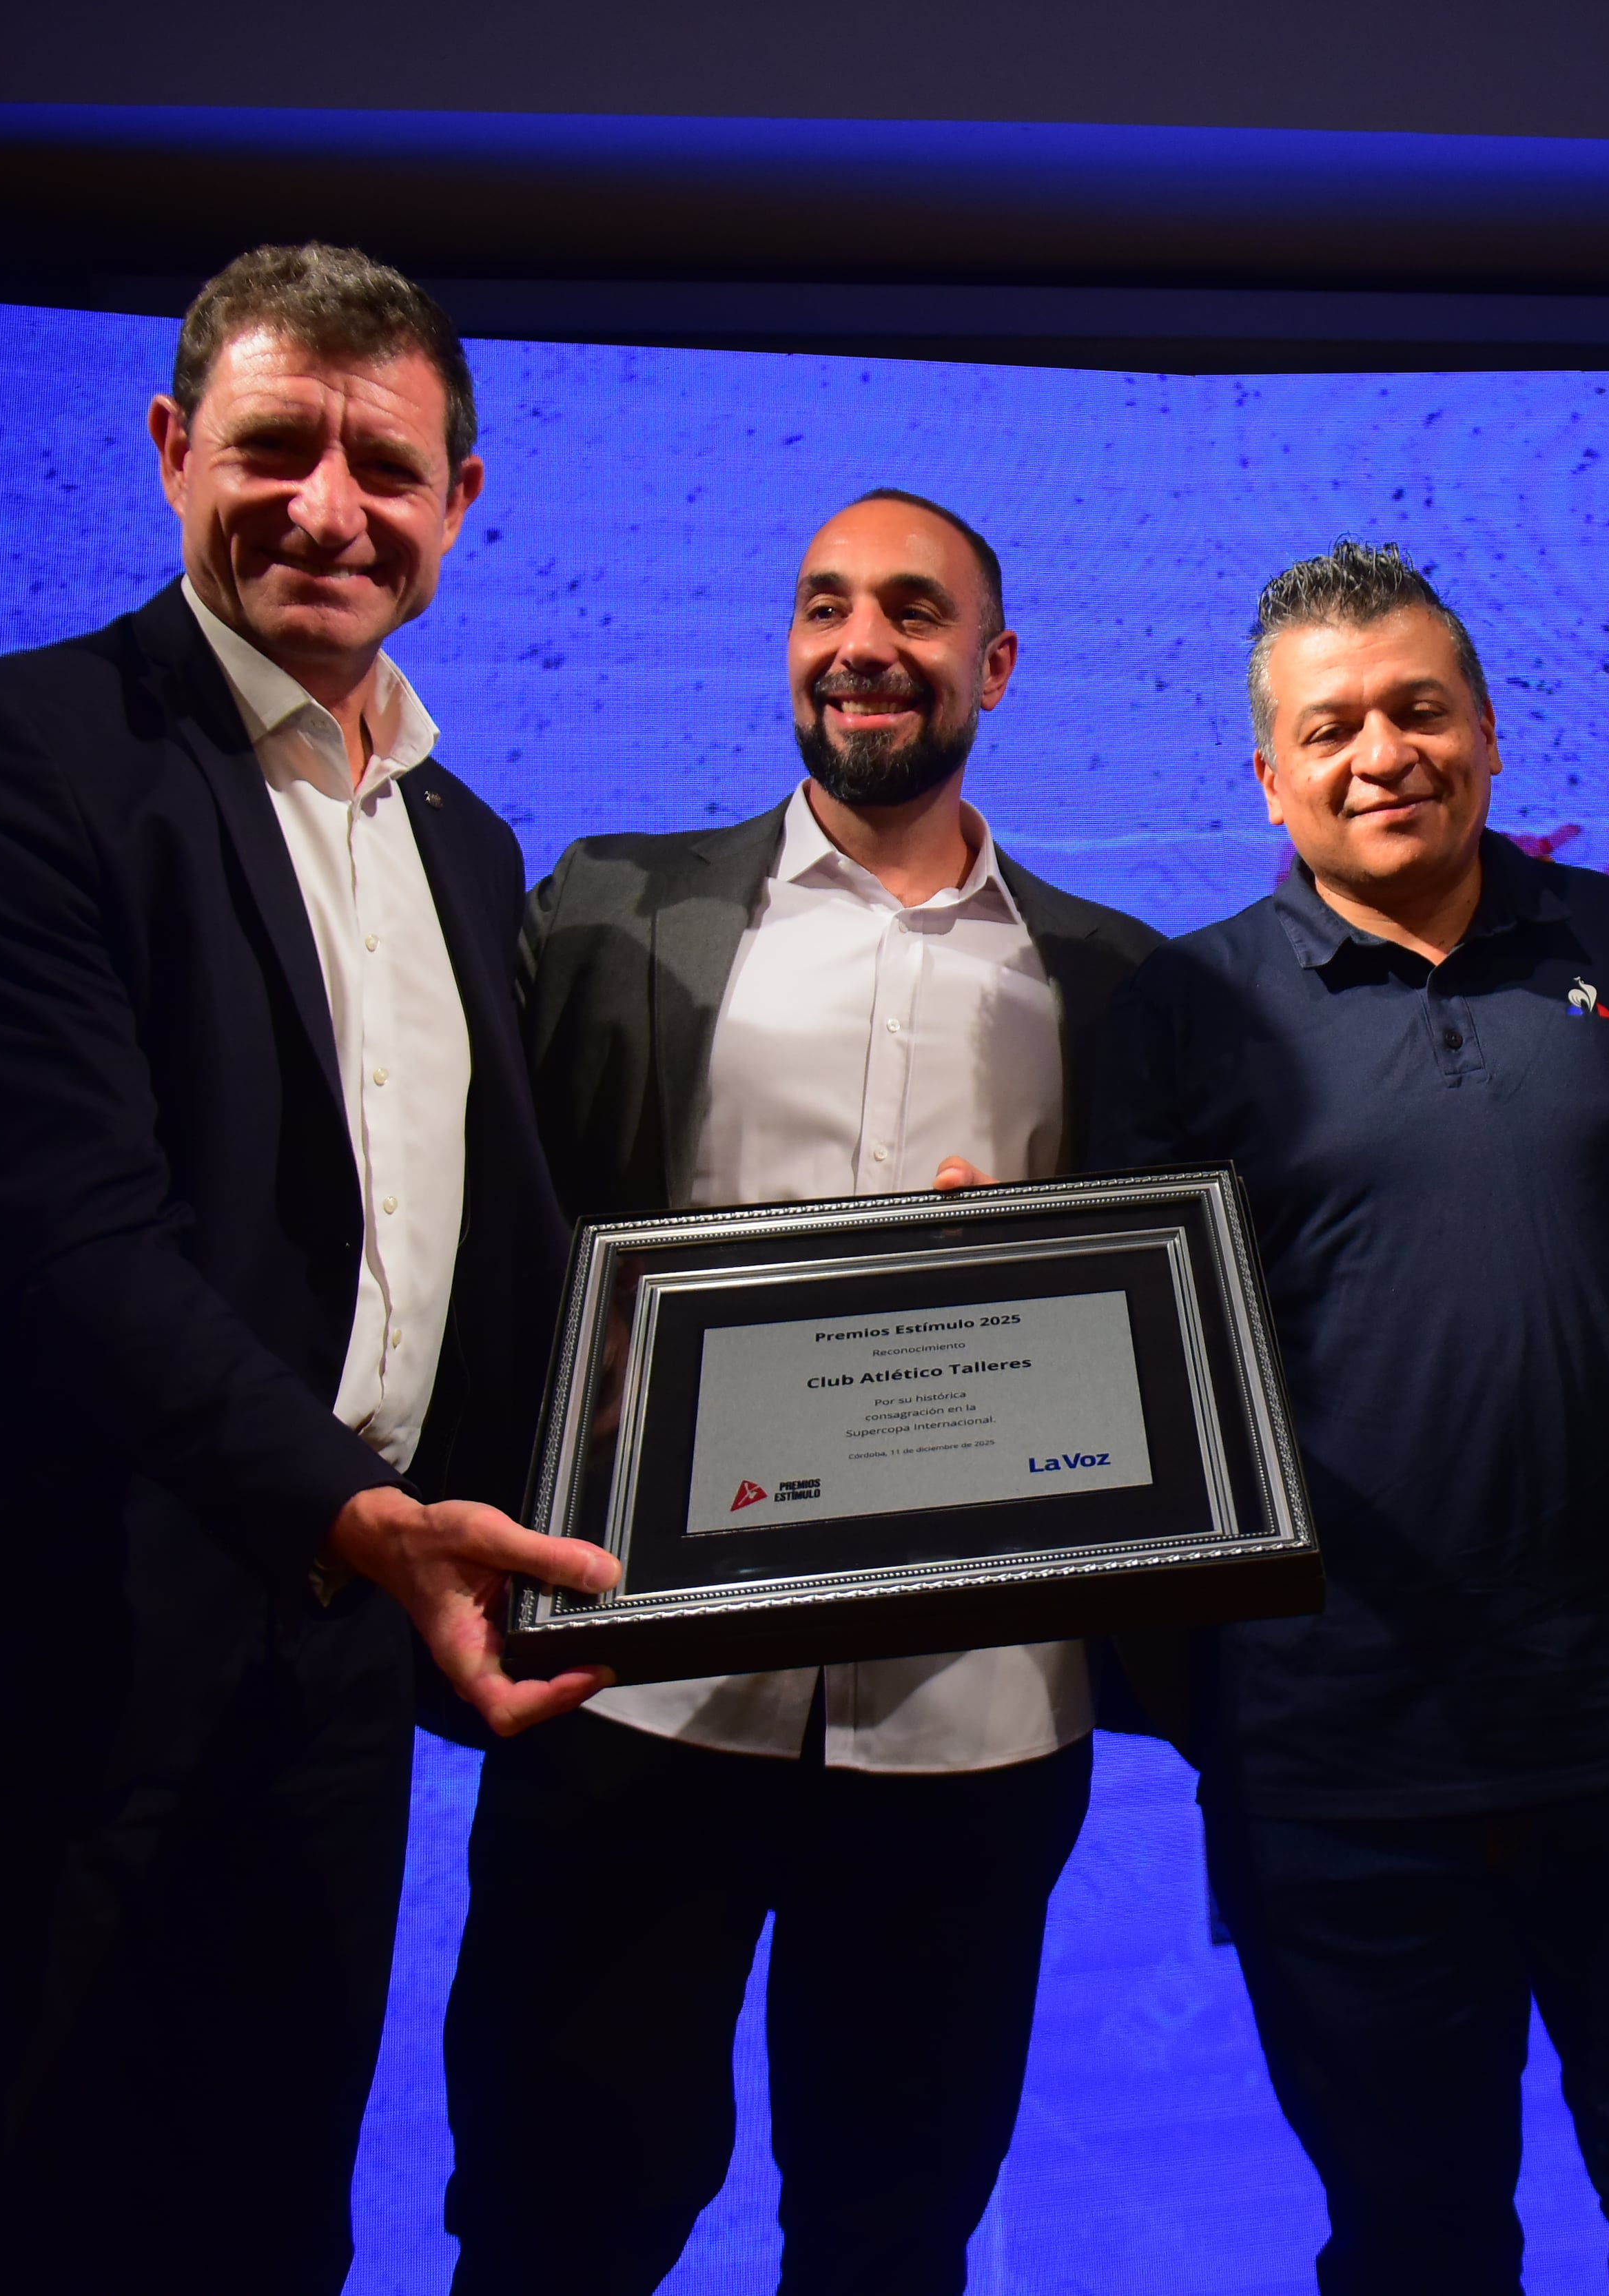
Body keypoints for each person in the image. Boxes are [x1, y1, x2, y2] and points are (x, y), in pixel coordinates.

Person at [0, 243, 619, 2294]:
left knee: (259, 2218)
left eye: (386, 465)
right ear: (172, 450)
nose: (327, 507)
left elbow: (481, 1250)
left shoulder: (462, 836)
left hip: (326, 1677)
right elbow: (60, 1227)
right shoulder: (5, 750)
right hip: (19, 1660)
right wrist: (365, 1517)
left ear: (462, 498)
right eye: (273, 447)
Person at [442, 488, 1162, 2295]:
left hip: (968, 1724)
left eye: (916, 611)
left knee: (891, 2230)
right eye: (826, 604)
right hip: (633, 1689)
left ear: (993, 662)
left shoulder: (1115, 979)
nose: (865, 643)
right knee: (553, 2217)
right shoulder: (609, 906)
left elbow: (1170, 1345)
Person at [1087, 541, 1609, 2295]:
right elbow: (1124, 1363)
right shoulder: (1175, 1004)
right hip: (1342, 1757)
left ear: (1487, 731)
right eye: (1329, 727)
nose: (1381, 752)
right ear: (1268, 775)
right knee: (1412, 2241)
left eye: (1419, 710)